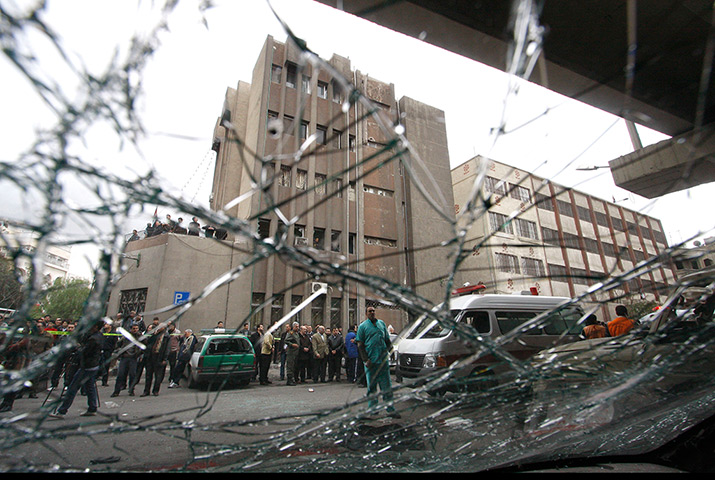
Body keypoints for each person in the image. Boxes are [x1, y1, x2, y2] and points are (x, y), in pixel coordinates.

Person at [50, 320, 105, 418]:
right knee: (90, 387)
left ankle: (62, 411)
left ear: (96, 326)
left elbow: (85, 352)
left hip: (87, 366)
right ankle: (92, 408)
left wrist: (78, 348)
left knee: (72, 388)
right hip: (93, 365)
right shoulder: (98, 335)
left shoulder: (94, 338)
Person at [357, 306, 399, 418]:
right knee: (372, 387)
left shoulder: (381, 324)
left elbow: (386, 339)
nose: (372, 312)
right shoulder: (362, 327)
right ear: (366, 313)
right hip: (371, 361)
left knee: (386, 386)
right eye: (370, 311)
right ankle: (373, 409)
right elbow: (360, 344)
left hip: (382, 360)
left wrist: (391, 351)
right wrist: (365, 359)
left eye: (373, 311)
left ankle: (390, 409)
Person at [110, 324, 143, 397]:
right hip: (124, 357)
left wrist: (139, 354)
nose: (135, 330)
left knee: (132, 374)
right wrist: (120, 351)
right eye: (134, 328)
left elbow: (143, 346)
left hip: (133, 358)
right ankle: (116, 391)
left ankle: (131, 390)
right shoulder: (126, 336)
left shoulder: (139, 337)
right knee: (121, 374)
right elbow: (118, 344)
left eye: (136, 328)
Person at [141, 324, 170, 396]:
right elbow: (148, 343)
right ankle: (146, 390)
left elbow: (167, 348)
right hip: (150, 356)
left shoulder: (166, 336)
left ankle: (155, 390)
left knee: (158, 375)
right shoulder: (154, 334)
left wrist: (165, 359)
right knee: (148, 375)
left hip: (159, 357)